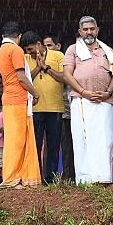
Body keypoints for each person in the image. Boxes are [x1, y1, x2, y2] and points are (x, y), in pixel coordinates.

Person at [62, 15, 113, 185]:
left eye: (91, 29)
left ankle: (103, 177)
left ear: (97, 30)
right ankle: (85, 179)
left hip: (104, 101)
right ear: (80, 31)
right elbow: (67, 75)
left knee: (104, 138)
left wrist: (108, 92)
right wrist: (83, 91)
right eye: (85, 29)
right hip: (81, 99)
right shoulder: (73, 49)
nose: (89, 32)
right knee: (82, 139)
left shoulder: (107, 50)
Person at [0, 21, 41, 189]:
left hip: (11, 99)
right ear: (19, 36)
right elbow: (21, 77)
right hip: (16, 100)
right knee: (17, 140)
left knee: (19, 138)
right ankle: (12, 178)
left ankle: (21, 177)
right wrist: (35, 93)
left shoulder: (1, 50)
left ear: (3, 35)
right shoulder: (15, 49)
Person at [22, 31, 66, 184]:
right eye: (27, 50)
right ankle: (35, 179)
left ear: (39, 45)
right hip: (34, 109)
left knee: (53, 147)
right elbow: (24, 80)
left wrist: (46, 68)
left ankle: (51, 179)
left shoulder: (58, 56)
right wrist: (38, 68)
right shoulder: (25, 59)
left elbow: (64, 78)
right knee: (35, 146)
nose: (29, 52)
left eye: (31, 49)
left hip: (56, 108)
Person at [45, 34, 75, 182]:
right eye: (44, 46)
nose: (46, 50)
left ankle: (72, 178)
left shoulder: (65, 61)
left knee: (71, 147)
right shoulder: (40, 61)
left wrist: (47, 69)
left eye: (49, 45)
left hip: (71, 111)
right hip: (56, 112)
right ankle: (58, 178)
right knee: (59, 147)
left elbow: (64, 77)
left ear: (58, 47)